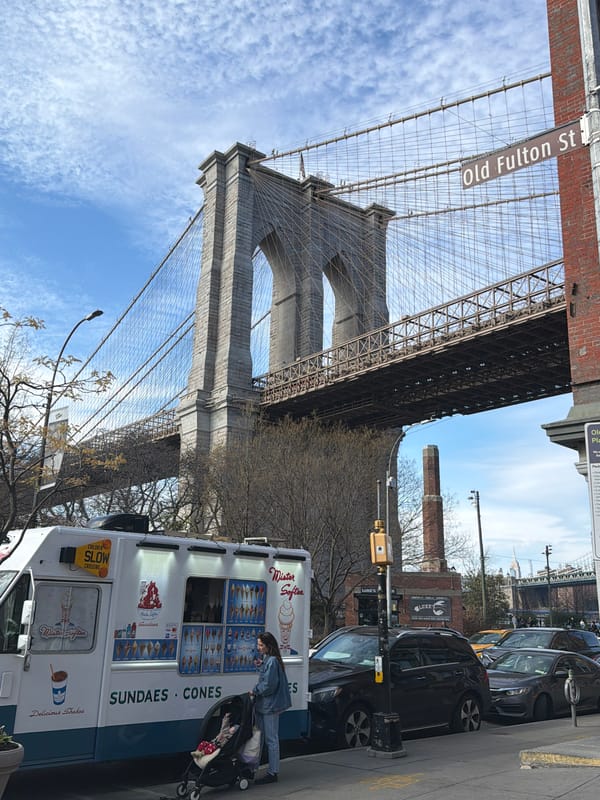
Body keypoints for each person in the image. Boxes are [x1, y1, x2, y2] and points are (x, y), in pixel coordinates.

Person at [249, 631, 291, 785]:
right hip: (265, 705)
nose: (258, 647)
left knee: (270, 739)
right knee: (264, 738)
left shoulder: (272, 661)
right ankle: (259, 768)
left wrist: (255, 690)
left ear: (268, 645)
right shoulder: (270, 660)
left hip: (269, 705)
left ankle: (272, 772)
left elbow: (269, 685)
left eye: (261, 645)